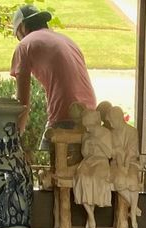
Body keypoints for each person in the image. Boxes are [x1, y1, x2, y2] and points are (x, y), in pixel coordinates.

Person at [10, 4, 97, 149]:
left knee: (46, 166)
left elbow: (22, 104)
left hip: (65, 117)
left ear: (22, 28)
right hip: (91, 116)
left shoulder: (24, 46)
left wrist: (15, 138)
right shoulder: (67, 40)